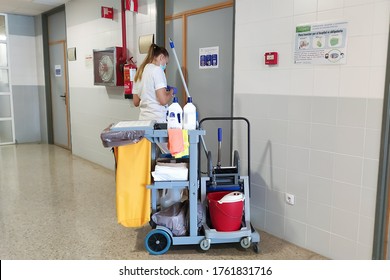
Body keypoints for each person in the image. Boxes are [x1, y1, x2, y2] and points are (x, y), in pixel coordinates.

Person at [133, 44, 174, 122]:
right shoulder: (157, 70)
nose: (165, 66)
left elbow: (136, 102)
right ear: (161, 57)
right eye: (166, 63)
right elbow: (163, 101)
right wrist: (171, 91)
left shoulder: (139, 72)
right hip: (157, 121)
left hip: (143, 121)